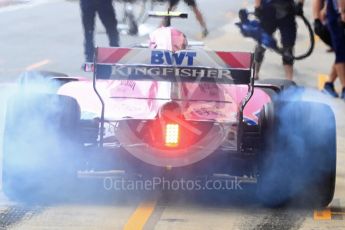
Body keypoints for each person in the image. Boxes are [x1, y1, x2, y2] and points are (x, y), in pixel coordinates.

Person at [253, 0, 304, 80]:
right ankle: (255, 73)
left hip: (287, 11)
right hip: (268, 10)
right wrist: (257, 6)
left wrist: (300, 4)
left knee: (288, 49)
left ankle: (289, 80)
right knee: (261, 44)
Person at [313, 0, 345, 99]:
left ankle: (329, 84)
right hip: (337, 16)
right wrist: (316, 19)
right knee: (341, 52)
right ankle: (344, 87)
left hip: (336, 12)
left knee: (342, 52)